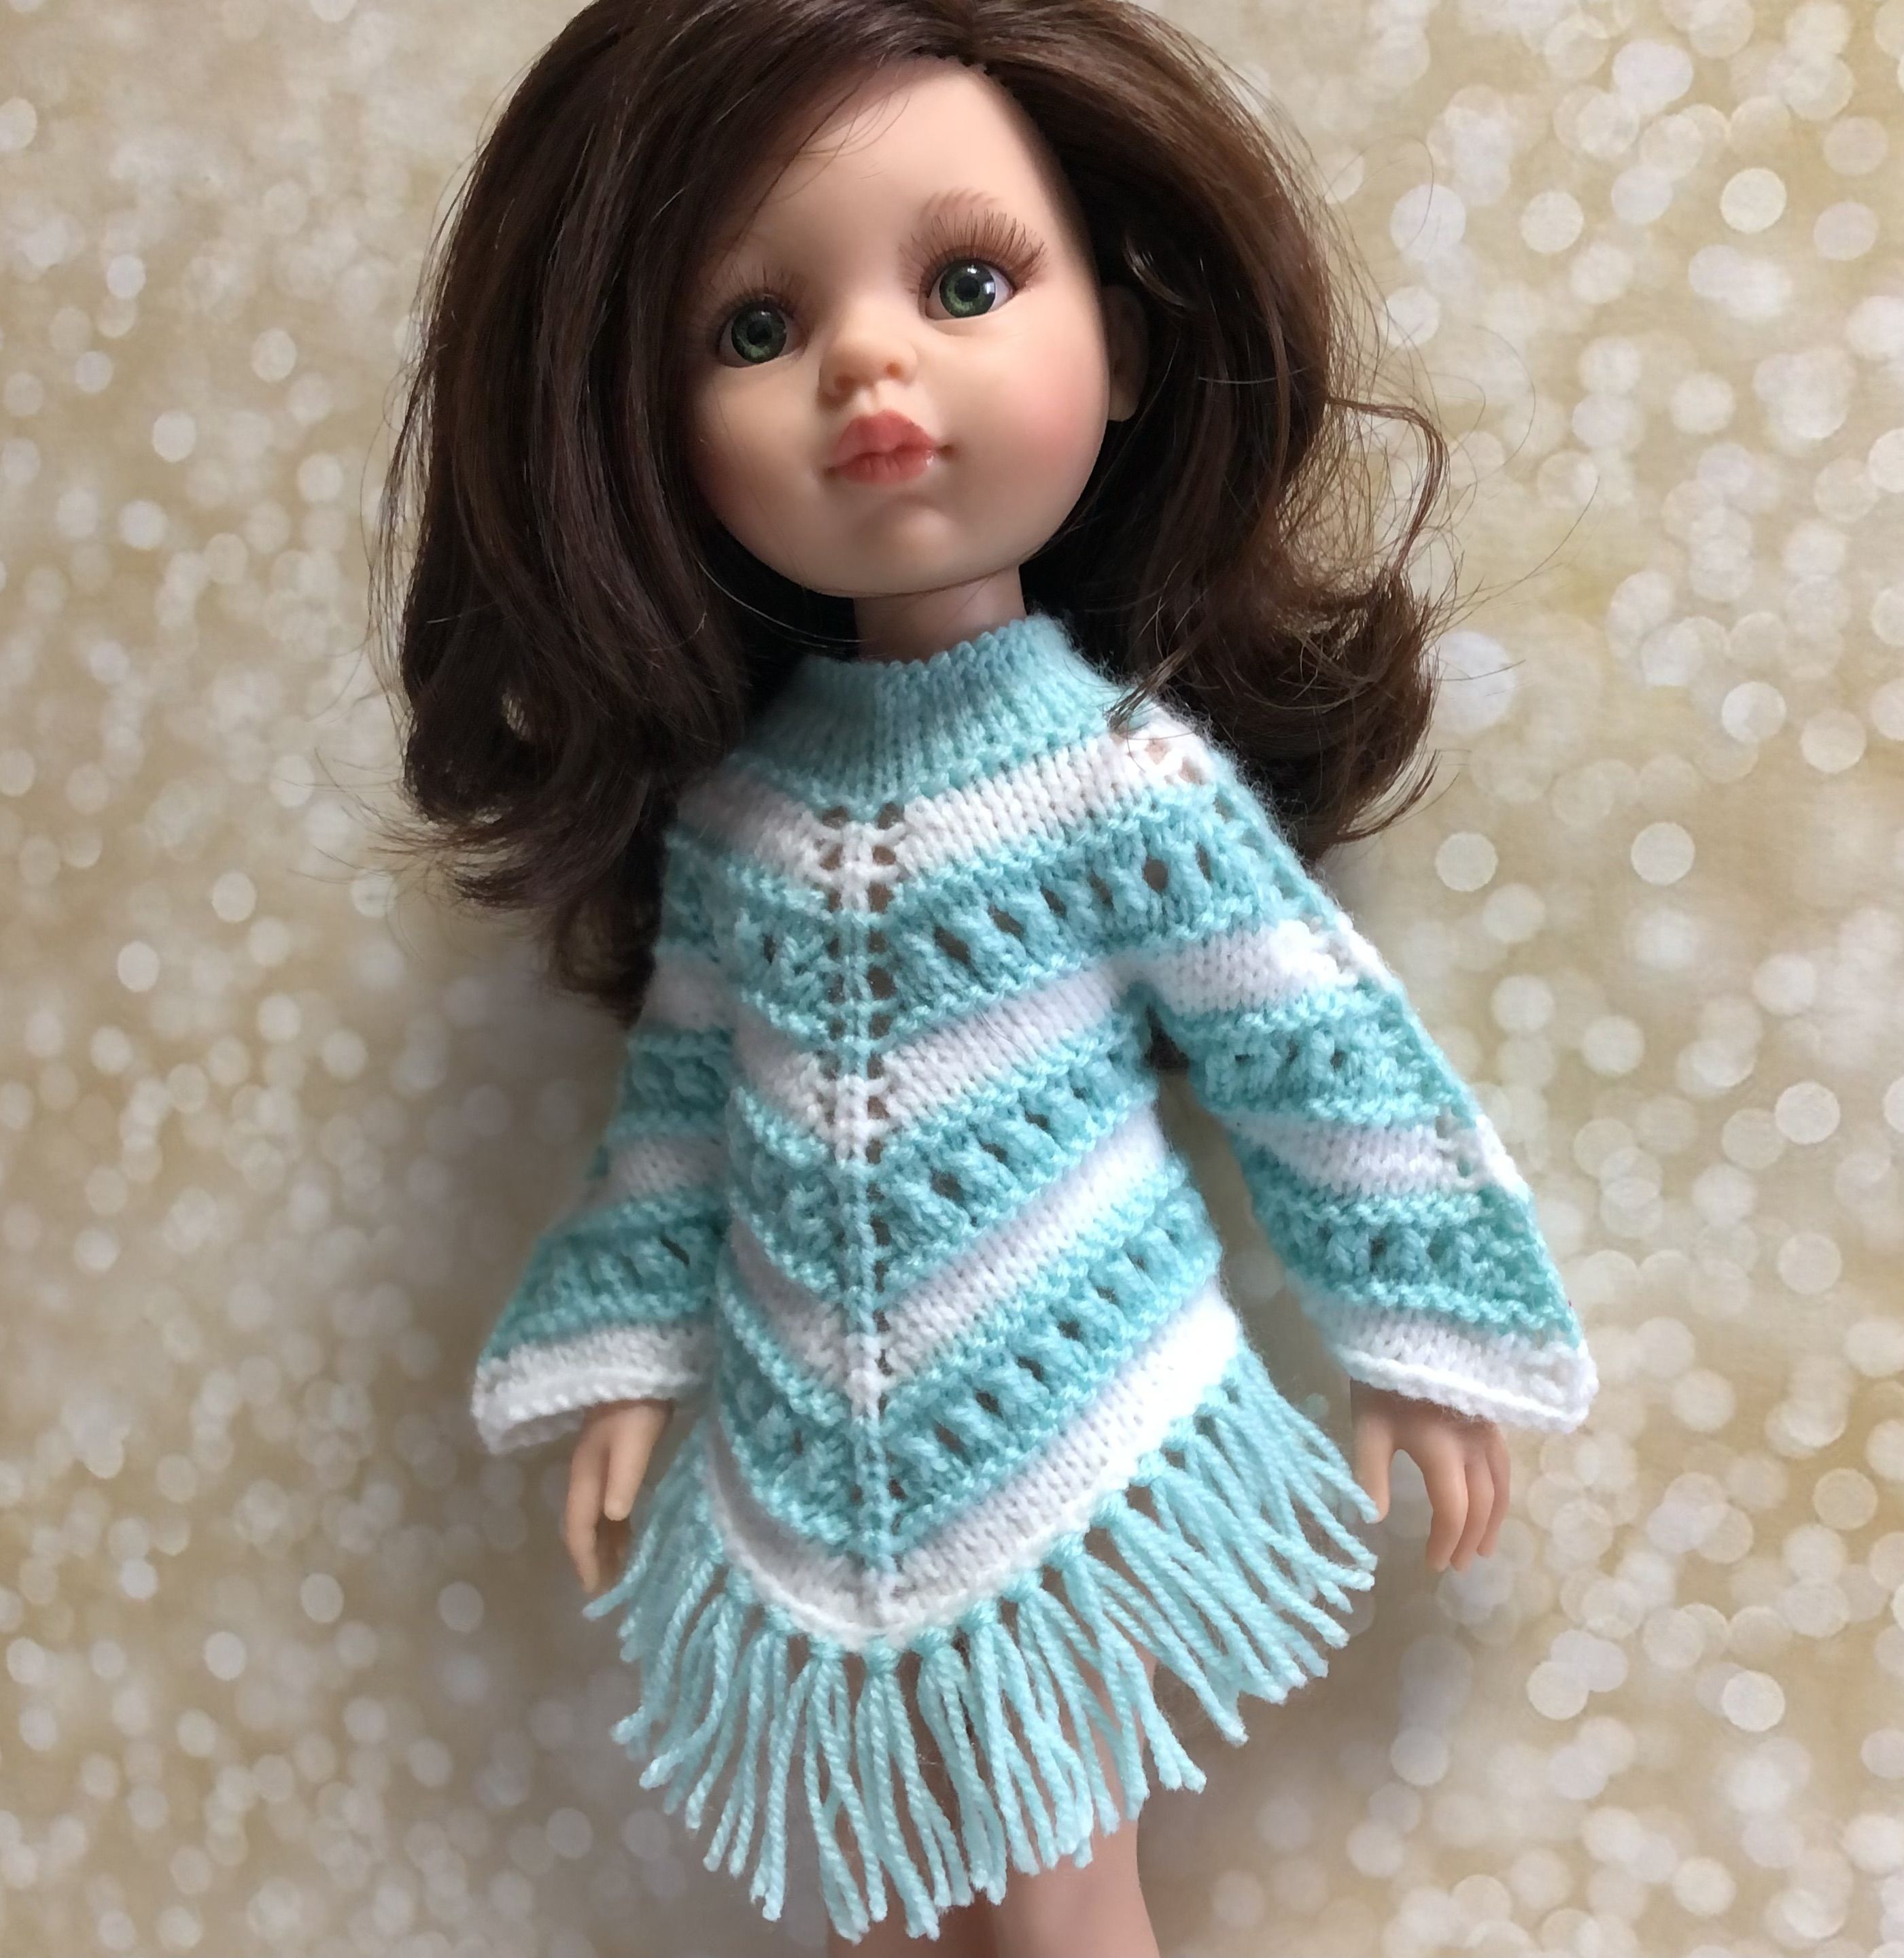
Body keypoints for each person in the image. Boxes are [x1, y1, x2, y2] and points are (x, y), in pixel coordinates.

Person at [371, 4, 1599, 1951]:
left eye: (964, 285)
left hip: (1070, 1419)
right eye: (754, 328)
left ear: (1124, 346)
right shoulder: (740, 819)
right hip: (800, 1424)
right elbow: (682, 1115)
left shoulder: (1120, 784)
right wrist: (629, 1349)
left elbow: (1306, 1049)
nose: (869, 364)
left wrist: (1417, 1329)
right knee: (894, 1878)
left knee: (1060, 1875)